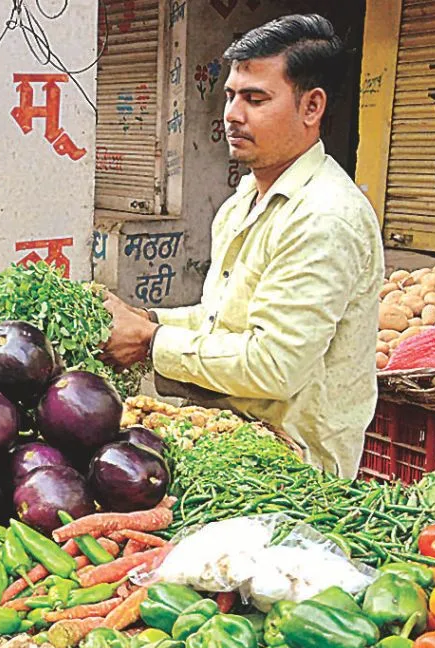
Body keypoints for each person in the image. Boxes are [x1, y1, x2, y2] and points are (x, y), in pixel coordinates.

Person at [101, 14, 382, 478]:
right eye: (230, 95)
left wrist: (151, 343)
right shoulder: (243, 201)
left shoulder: (324, 217)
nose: (232, 113)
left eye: (255, 99)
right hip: (233, 436)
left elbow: (274, 365)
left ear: (311, 107)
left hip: (294, 469)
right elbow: (224, 318)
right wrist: (148, 319)